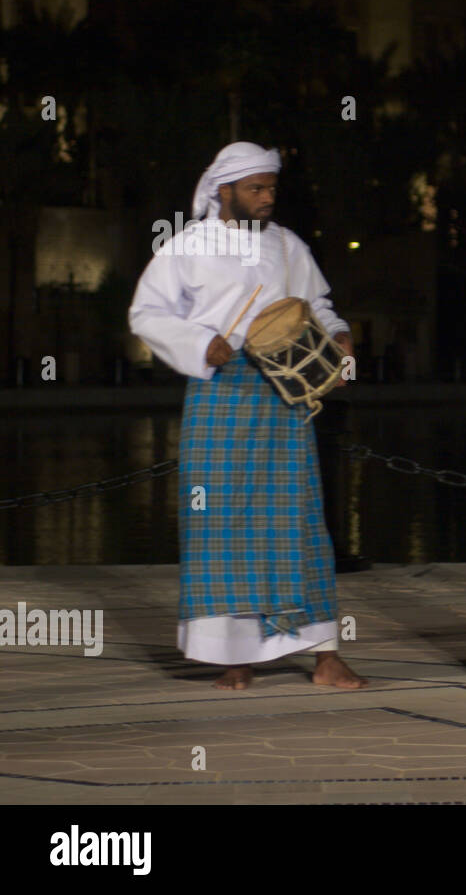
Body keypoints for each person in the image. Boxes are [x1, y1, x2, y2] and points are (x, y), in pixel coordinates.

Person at [128, 141, 366, 691]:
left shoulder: (287, 246)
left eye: (272, 188)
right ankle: (234, 656)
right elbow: (147, 313)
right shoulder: (186, 246)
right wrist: (200, 341)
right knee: (221, 525)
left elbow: (318, 306)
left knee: (300, 520)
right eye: (256, 188)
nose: (266, 197)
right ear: (224, 190)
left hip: (285, 395)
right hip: (221, 393)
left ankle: (324, 655)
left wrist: (338, 334)